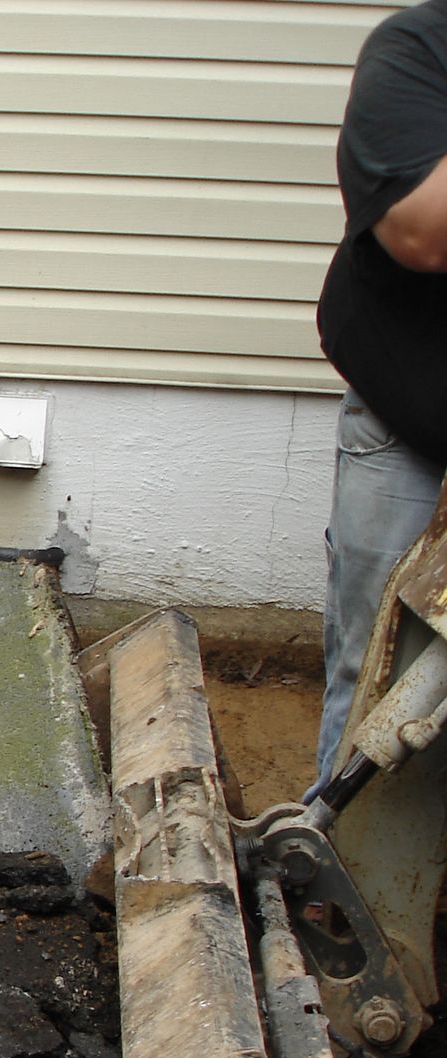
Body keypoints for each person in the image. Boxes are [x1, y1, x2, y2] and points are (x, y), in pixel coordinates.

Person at [312, 0, 447, 787]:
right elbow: (423, 229)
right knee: (375, 673)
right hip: (409, 425)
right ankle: (337, 886)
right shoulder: (419, 50)